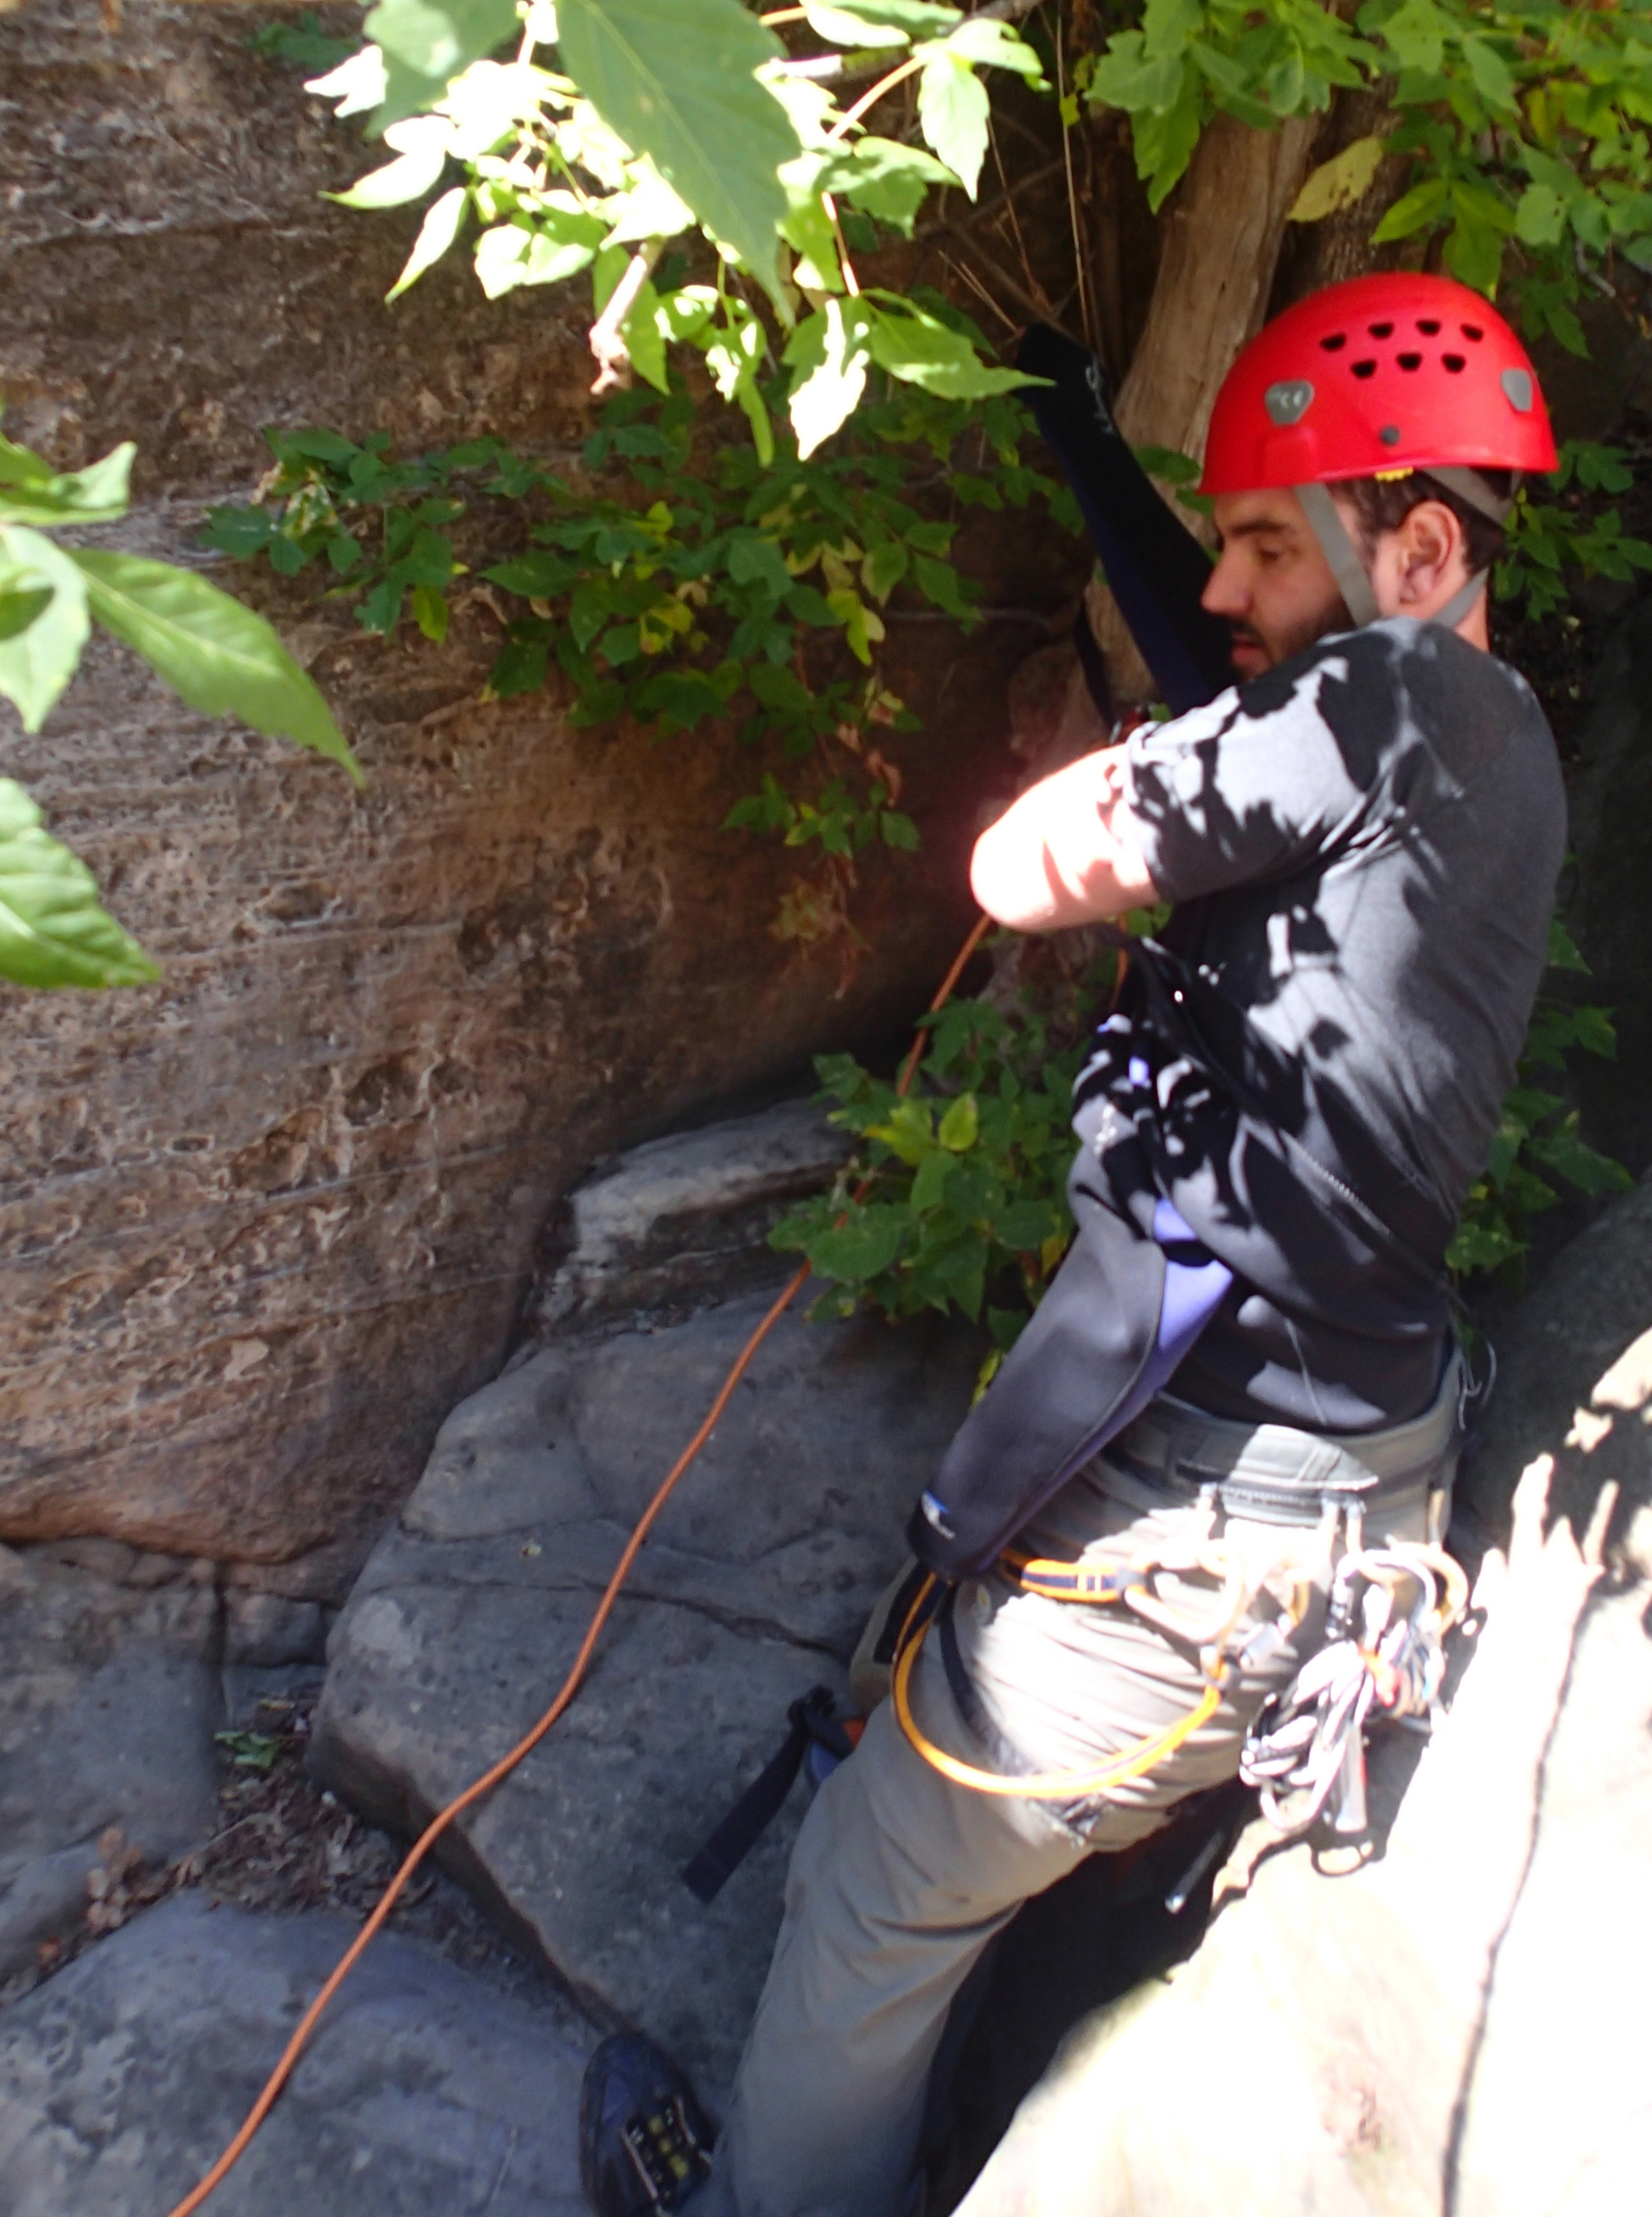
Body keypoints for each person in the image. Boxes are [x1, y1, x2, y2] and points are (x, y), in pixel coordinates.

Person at [580, 273, 1568, 2217]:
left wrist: (1117, 772)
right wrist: (1076, 430)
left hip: (1200, 1547)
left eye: (1269, 545)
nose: (1223, 594)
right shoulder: (1482, 743)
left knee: (870, 1889)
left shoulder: (1381, 695)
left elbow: (1016, 867)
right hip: (1334, 1486)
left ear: (1422, 546)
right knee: (1014, 1893)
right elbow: (1230, 693)